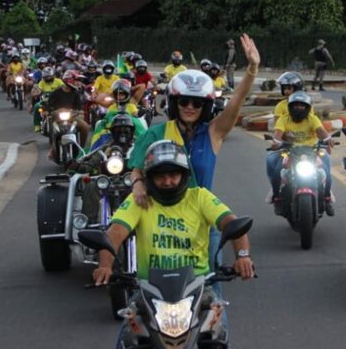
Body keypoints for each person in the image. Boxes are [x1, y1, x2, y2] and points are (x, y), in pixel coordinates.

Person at [127, 35, 260, 296]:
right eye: (184, 101)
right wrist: (138, 184)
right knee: (147, 292)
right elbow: (137, 169)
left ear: (205, 106)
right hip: (158, 221)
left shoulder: (213, 133)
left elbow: (237, 101)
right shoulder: (155, 133)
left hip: (201, 220)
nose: (190, 107)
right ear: (174, 103)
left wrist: (253, 68)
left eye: (197, 103)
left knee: (210, 293)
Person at [92, 140, 255, 346]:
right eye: (160, 176)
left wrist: (243, 256)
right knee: (128, 340)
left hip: (198, 287)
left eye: (173, 175)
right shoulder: (140, 201)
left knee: (217, 337)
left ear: (184, 175)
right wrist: (105, 265)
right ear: (150, 178)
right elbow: (115, 233)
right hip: (148, 288)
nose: (168, 181)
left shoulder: (200, 197)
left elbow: (232, 223)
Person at [267, 91, 337, 216]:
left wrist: (328, 139)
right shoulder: (284, 119)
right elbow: (278, 134)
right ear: (290, 107)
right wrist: (275, 143)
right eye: (295, 105)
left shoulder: (312, 119)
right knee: (277, 171)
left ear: (307, 108)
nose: (299, 108)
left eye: (302, 105)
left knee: (326, 172)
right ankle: (277, 199)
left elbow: (321, 131)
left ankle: (327, 199)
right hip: (289, 151)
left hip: (311, 151)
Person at [46, 70, 89, 157]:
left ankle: (82, 149)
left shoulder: (76, 93)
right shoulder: (56, 92)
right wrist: (51, 111)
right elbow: (49, 105)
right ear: (69, 80)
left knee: (85, 127)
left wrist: (77, 111)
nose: (78, 83)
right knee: (55, 130)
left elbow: (79, 107)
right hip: (58, 118)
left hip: (72, 117)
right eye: (76, 80)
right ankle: (53, 150)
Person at [32, 67, 64, 133]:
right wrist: (36, 92)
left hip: (57, 101)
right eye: (46, 77)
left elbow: (63, 88)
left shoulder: (58, 81)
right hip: (45, 101)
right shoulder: (42, 82)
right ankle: (37, 125)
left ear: (53, 75)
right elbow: (38, 89)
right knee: (37, 106)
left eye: (49, 76)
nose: (48, 78)